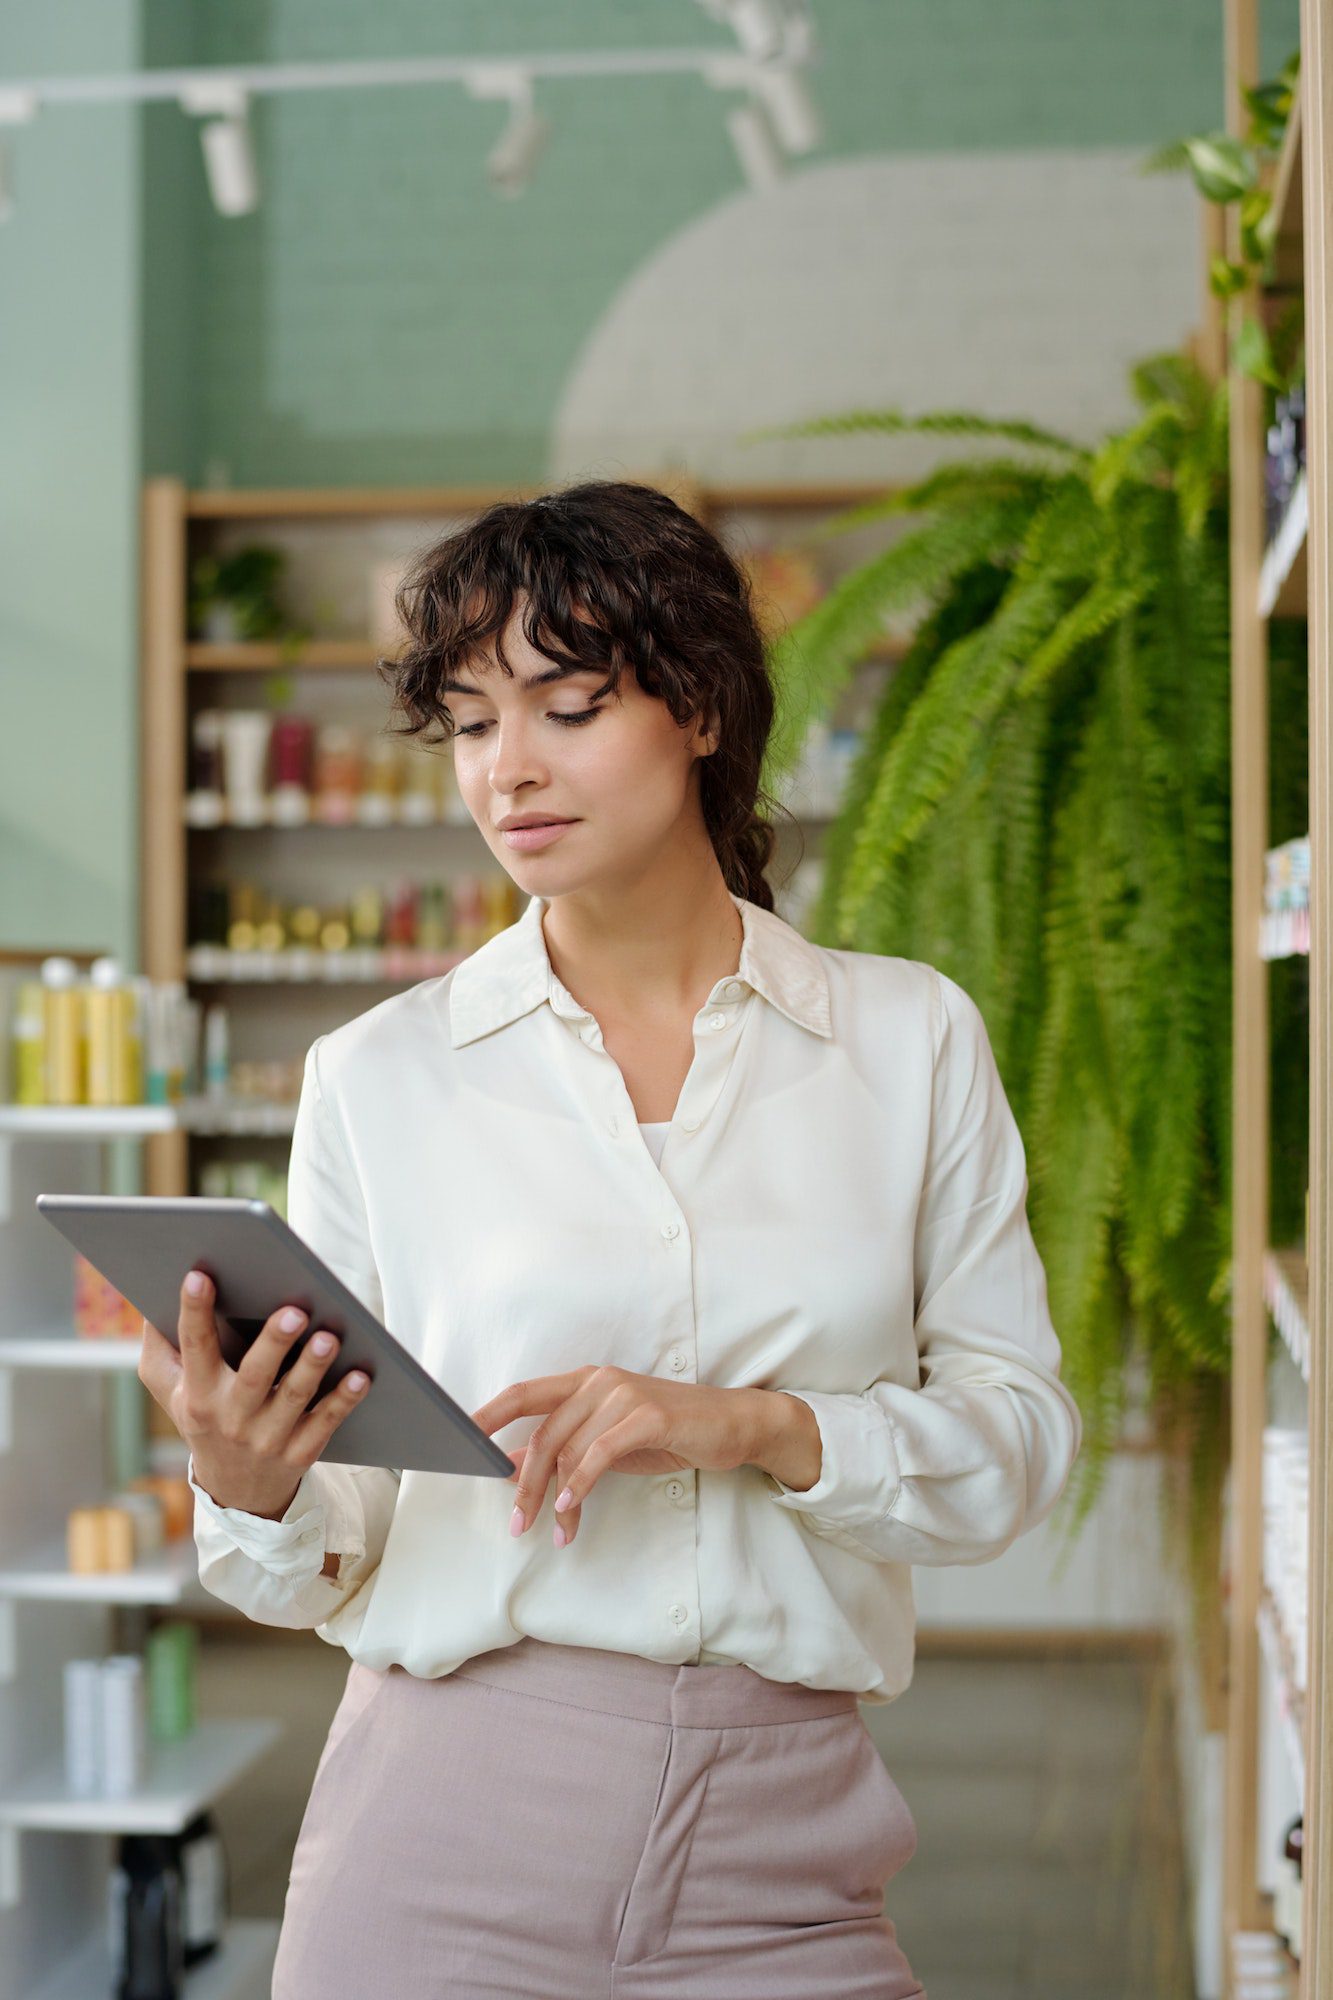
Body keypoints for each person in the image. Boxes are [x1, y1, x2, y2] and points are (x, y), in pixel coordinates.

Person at [140, 479, 1083, 1999]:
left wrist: (759, 1428)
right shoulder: (381, 1077)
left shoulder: (906, 1041)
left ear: (701, 706)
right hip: (444, 1829)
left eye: (566, 707)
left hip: (793, 1847)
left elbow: (1017, 1443)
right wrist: (247, 1487)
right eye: (465, 725)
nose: (507, 770)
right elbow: (327, 1559)